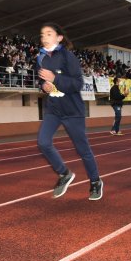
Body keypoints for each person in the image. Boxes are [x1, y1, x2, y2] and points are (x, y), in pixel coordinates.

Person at [36, 23, 103, 201]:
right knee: (43, 142)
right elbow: (41, 83)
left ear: (59, 38)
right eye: (42, 34)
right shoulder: (41, 59)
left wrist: (55, 78)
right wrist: (45, 86)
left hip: (72, 110)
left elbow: (77, 83)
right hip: (54, 109)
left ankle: (95, 181)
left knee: (83, 150)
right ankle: (64, 173)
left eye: (49, 33)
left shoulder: (68, 56)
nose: (44, 37)